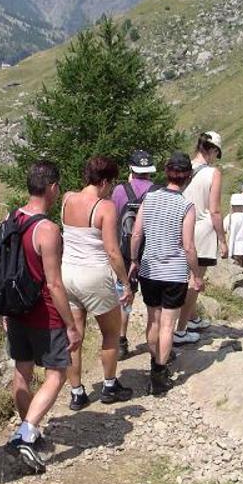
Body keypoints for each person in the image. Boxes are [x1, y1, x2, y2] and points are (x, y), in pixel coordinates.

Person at [7, 161, 81, 473]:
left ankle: (29, 429)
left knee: (22, 371)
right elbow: (54, 284)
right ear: (51, 187)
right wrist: (71, 325)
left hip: (16, 310)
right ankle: (26, 434)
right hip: (44, 314)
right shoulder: (48, 230)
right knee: (57, 373)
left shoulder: (11, 218)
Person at [61, 156, 134, 410]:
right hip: (93, 275)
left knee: (74, 335)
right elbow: (112, 251)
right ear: (103, 182)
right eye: (111, 183)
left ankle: (77, 393)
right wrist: (125, 283)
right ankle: (110, 385)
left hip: (67, 274)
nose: (111, 189)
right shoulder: (105, 207)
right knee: (111, 333)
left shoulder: (67, 198)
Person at [129, 152, 202, 395]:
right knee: (168, 325)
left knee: (153, 320)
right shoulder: (186, 206)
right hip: (174, 272)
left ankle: (154, 362)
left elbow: (137, 234)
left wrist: (133, 260)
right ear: (188, 177)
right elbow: (188, 246)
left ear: (166, 173)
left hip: (149, 268)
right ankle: (159, 374)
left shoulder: (149, 198)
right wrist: (196, 275)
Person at [175, 131, 228, 344]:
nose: (216, 158)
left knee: (182, 277)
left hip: (180, 227)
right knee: (194, 280)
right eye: (216, 153)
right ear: (212, 150)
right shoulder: (213, 173)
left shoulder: (182, 167)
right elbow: (214, 210)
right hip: (201, 230)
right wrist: (222, 239)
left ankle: (191, 318)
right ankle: (181, 329)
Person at [111, 150, 158, 360]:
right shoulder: (157, 191)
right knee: (153, 302)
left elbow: (114, 221)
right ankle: (156, 345)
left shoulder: (119, 190)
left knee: (125, 295)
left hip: (125, 251)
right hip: (150, 253)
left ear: (131, 169)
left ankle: (121, 342)